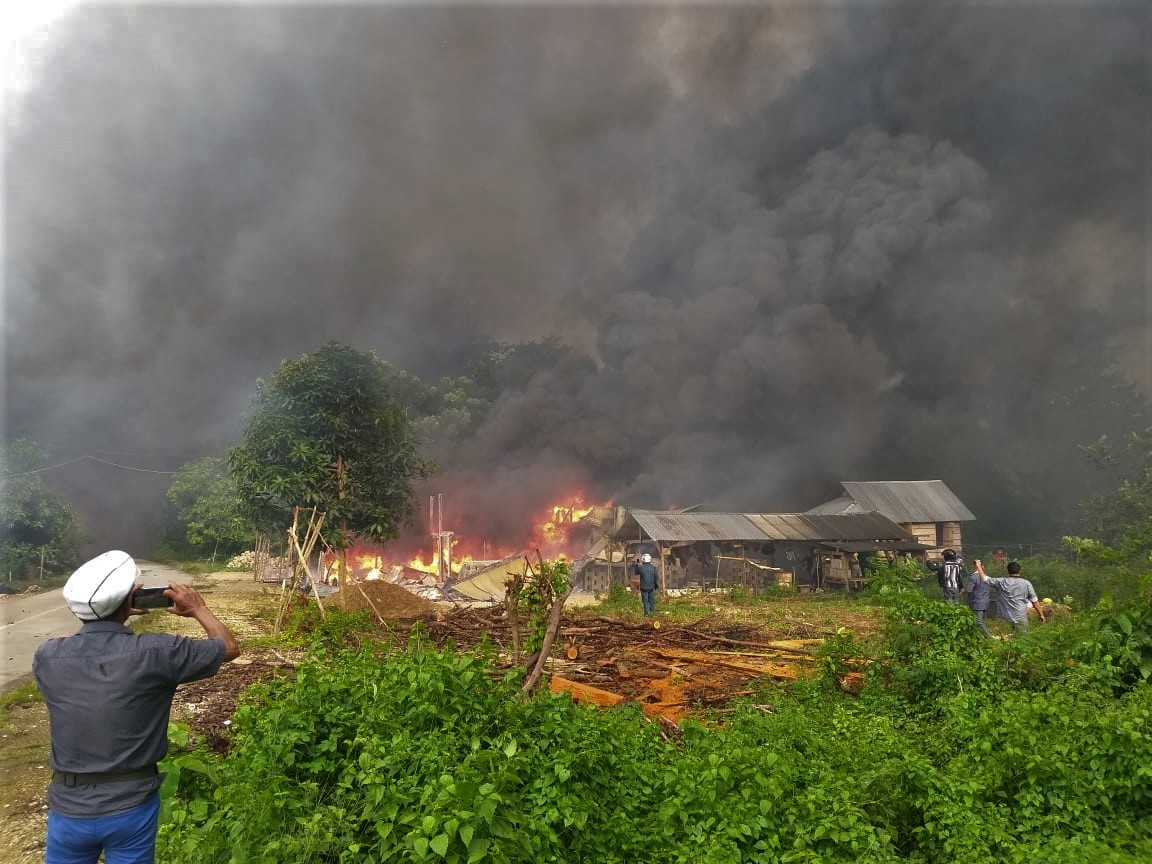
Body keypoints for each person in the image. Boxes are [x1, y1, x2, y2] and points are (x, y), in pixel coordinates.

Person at [33, 551, 240, 864]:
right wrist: (198, 608)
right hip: (132, 805)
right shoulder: (158, 651)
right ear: (131, 599)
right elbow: (228, 648)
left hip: (68, 807)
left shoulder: (47, 657)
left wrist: (117, 613)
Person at [977, 559, 1045, 635]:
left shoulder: (1001, 582)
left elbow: (985, 579)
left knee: (1005, 641)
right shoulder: (1026, 584)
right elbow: (1034, 601)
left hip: (1005, 619)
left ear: (1008, 572)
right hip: (1020, 618)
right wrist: (1041, 614)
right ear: (1020, 571)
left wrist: (979, 566)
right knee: (1023, 640)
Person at [965, 558, 993, 638]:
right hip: (985, 601)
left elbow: (969, 590)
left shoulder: (973, 577)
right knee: (982, 621)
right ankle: (982, 637)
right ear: (983, 566)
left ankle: (989, 637)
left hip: (977, 602)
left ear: (973, 566)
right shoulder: (987, 577)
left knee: (978, 621)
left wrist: (963, 591)